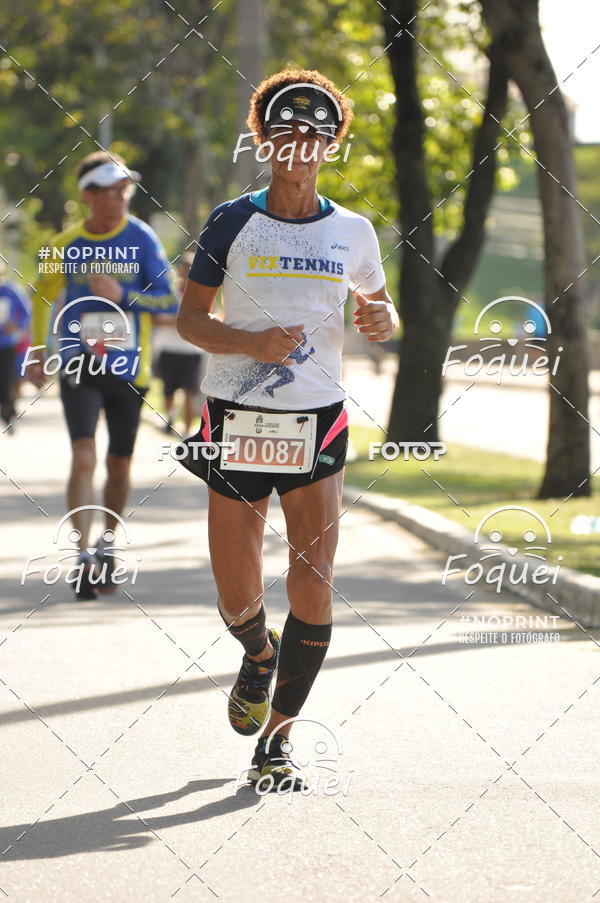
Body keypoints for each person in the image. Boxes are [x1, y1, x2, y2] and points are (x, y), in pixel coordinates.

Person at [177, 69, 399, 789]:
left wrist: (383, 319)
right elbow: (188, 320)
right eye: (284, 133)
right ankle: (257, 652)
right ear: (263, 139)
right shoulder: (231, 221)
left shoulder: (353, 231)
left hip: (318, 419)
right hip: (236, 413)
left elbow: (379, 309)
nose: (298, 147)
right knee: (235, 592)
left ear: (331, 144)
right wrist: (250, 344)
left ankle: (277, 739)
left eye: (314, 135)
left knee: (314, 585)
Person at [28, 151, 177, 600]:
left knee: (118, 464)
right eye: (113, 188)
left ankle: (107, 544)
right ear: (89, 195)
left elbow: (169, 302)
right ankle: (81, 554)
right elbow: (41, 295)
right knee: (85, 452)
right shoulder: (64, 244)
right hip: (79, 362)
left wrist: (124, 294)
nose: (122, 195)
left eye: (125, 188)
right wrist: (39, 349)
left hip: (130, 369)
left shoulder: (142, 237)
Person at [153, 251, 204, 435]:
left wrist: (180, 322)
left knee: (190, 393)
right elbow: (156, 319)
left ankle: (187, 432)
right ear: (181, 271)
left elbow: (205, 320)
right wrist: (179, 322)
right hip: (169, 349)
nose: (189, 273)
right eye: (186, 269)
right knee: (169, 392)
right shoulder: (169, 293)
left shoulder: (202, 294)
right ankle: (172, 418)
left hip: (192, 351)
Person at [0, 262, 31, 434]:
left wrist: (17, 325)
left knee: (6, 382)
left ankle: (8, 415)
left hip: (6, 343)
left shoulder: (11, 290)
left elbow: (26, 313)